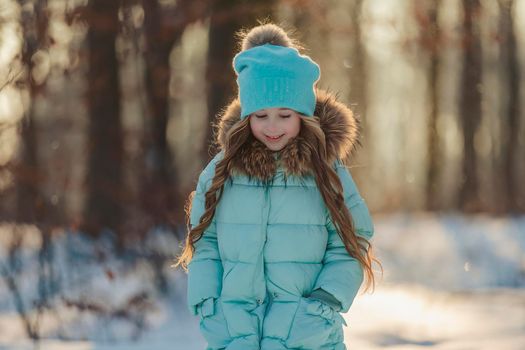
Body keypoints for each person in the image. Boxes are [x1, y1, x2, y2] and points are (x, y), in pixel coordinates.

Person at [175, 23, 382, 350]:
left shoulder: (325, 171)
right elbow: (206, 239)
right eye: (260, 116)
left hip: (307, 336)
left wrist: (324, 302)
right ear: (246, 117)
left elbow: (353, 237)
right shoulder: (222, 171)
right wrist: (208, 304)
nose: (272, 127)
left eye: (285, 115)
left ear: (303, 115)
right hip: (235, 333)